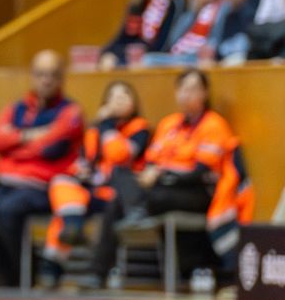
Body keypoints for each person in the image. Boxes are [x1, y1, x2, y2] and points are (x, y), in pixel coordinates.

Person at [87, 69, 250, 287]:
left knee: (148, 196)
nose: (186, 94)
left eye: (193, 89)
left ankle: (137, 207)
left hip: (197, 191)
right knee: (118, 186)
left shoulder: (214, 125)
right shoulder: (168, 124)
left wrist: (162, 175)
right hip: (162, 188)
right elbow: (152, 161)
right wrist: (152, 174)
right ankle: (98, 273)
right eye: (182, 89)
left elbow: (200, 171)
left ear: (204, 93)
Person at [0, 50, 83, 286]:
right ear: (32, 76)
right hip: (6, 181)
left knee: (7, 210)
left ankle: (25, 273)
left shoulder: (70, 112)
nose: (46, 80)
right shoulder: (16, 108)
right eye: (41, 74)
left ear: (61, 78)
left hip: (43, 186)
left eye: (52, 75)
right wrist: (29, 137)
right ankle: (8, 270)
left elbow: (50, 147)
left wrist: (12, 142)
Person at [43, 80, 148, 290]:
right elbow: (85, 161)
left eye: (125, 95)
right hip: (93, 188)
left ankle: (54, 263)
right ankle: (71, 231)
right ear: (105, 102)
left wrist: (107, 125)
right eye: (114, 96)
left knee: (69, 213)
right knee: (61, 184)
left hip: (119, 193)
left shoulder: (140, 129)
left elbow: (119, 155)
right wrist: (81, 171)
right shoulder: (94, 131)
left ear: (133, 102)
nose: (119, 100)